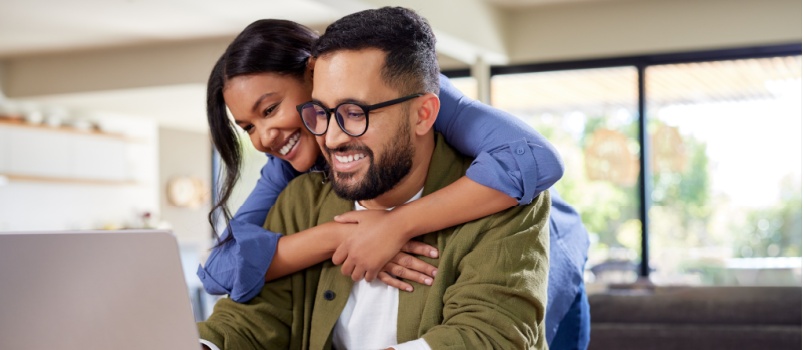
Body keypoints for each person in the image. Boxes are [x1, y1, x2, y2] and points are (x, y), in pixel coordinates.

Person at [198, 14, 589, 349]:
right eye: (321, 112)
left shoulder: (485, 166)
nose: (265, 136)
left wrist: (397, 223)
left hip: (554, 252)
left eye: (353, 111)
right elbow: (231, 281)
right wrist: (342, 236)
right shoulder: (294, 183)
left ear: (309, 73)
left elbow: (534, 163)